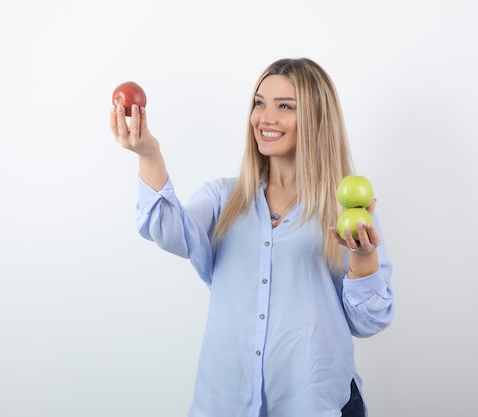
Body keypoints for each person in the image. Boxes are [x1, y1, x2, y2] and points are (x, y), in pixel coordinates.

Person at [110, 57, 394, 417]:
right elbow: (166, 229)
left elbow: (369, 321)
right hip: (224, 403)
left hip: (315, 404)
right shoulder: (223, 200)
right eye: (259, 103)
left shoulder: (344, 208)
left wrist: (363, 257)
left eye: (285, 106)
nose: (265, 117)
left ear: (316, 118)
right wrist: (149, 153)